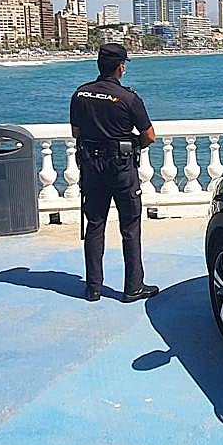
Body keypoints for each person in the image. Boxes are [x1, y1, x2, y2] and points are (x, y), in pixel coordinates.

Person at [69, 43, 159, 303]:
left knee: (95, 224)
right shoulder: (128, 98)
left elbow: (76, 132)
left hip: (91, 166)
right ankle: (133, 287)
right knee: (130, 227)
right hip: (121, 167)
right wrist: (131, 143)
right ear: (121, 67)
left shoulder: (80, 94)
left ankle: (93, 288)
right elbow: (150, 136)